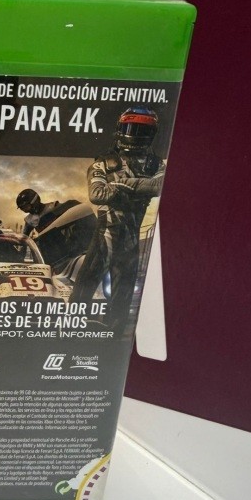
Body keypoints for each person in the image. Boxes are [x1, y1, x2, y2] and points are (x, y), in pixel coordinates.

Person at [69, 106, 165, 331]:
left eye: (142, 130)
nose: (136, 134)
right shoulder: (105, 162)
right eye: (132, 128)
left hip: (128, 238)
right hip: (107, 235)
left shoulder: (155, 163)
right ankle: (72, 329)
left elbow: (160, 186)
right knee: (85, 287)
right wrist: (141, 187)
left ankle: (114, 335)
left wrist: (121, 184)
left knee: (123, 294)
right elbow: (97, 194)